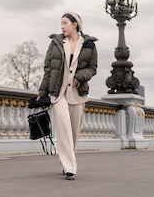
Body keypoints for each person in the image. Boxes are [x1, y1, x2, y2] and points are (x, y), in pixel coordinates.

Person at [37, 12, 97, 181]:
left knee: (73, 131)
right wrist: (42, 92)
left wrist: (80, 77)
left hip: (77, 93)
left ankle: (68, 161)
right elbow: (48, 70)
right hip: (58, 92)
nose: (62, 26)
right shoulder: (55, 43)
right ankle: (69, 167)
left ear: (75, 24)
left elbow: (93, 68)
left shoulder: (89, 45)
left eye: (65, 23)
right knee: (63, 128)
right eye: (61, 23)